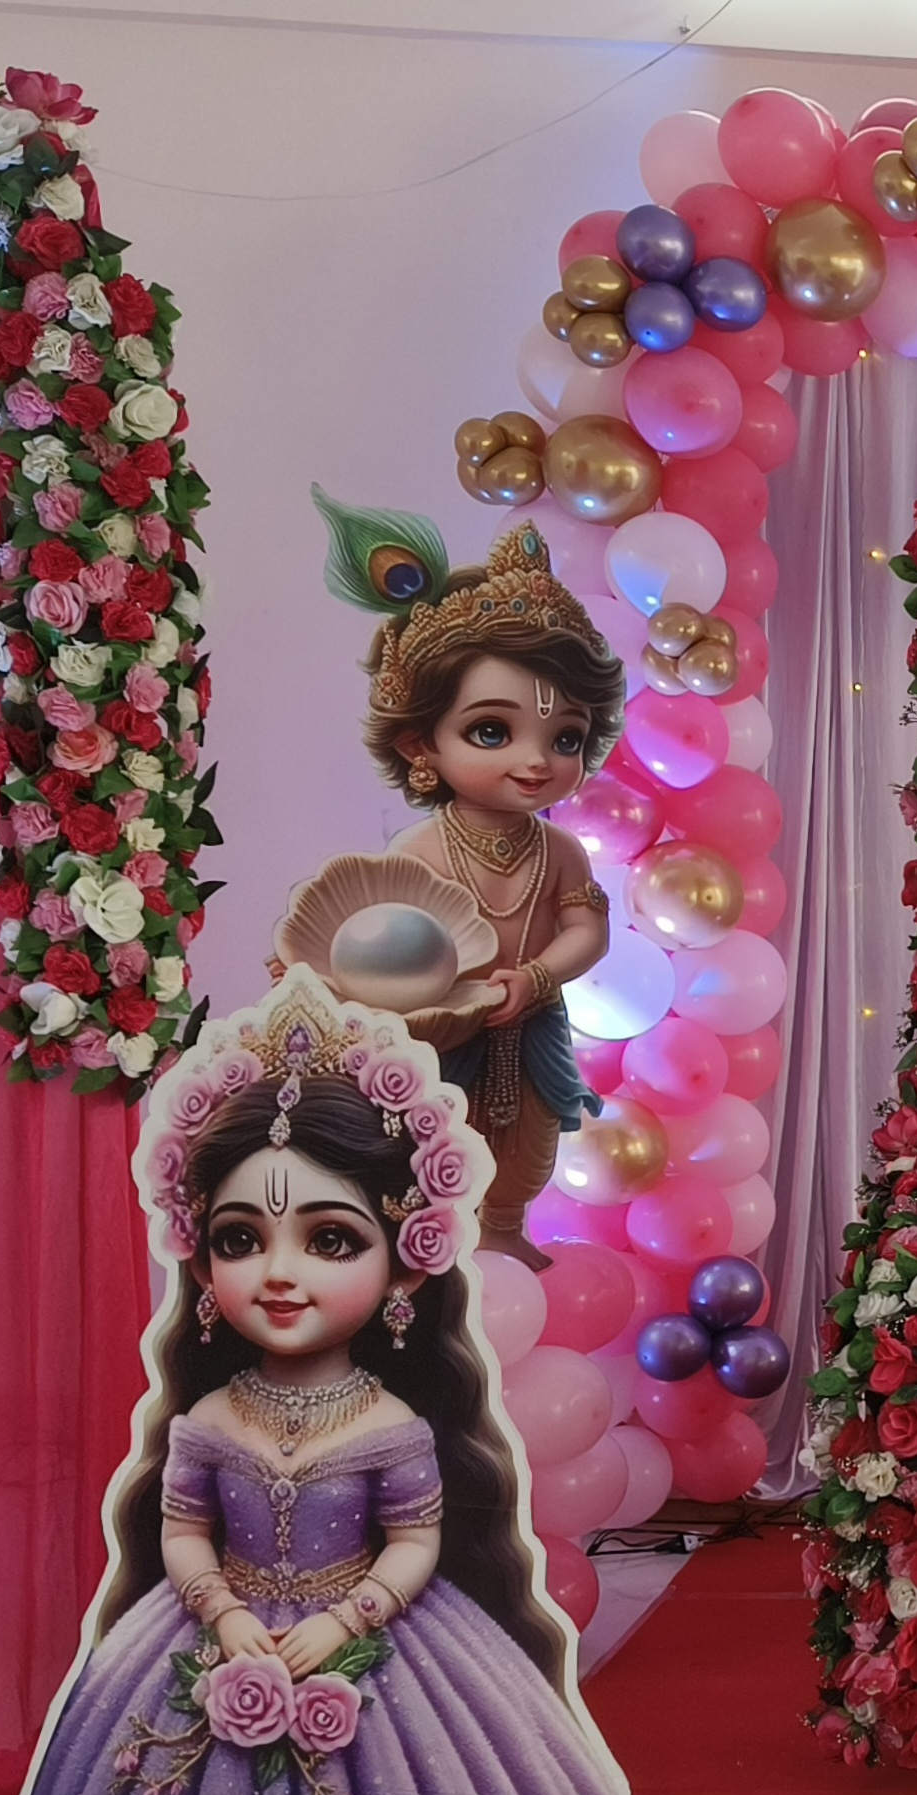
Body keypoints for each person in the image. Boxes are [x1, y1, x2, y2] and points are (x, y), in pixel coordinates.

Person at [0, 970, 627, 1795]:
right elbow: (183, 1529)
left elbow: (414, 1539)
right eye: (240, 1240)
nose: (279, 1274)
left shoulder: (392, 1426)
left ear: (404, 1267)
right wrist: (224, 1614)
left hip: (372, 1637)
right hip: (207, 1634)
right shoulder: (206, 1421)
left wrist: (351, 1617)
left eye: (329, 1240)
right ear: (203, 1257)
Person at [320, 491, 626, 1267]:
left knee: (529, 1138)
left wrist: (534, 978)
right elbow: (371, 944)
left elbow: (588, 928)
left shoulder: (560, 853)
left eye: (565, 738)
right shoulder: (420, 850)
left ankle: (503, 1232)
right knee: (423, 1135)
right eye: (492, 731)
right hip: (436, 1032)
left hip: (528, 1027)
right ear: (423, 743)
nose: (535, 760)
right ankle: (430, 1242)